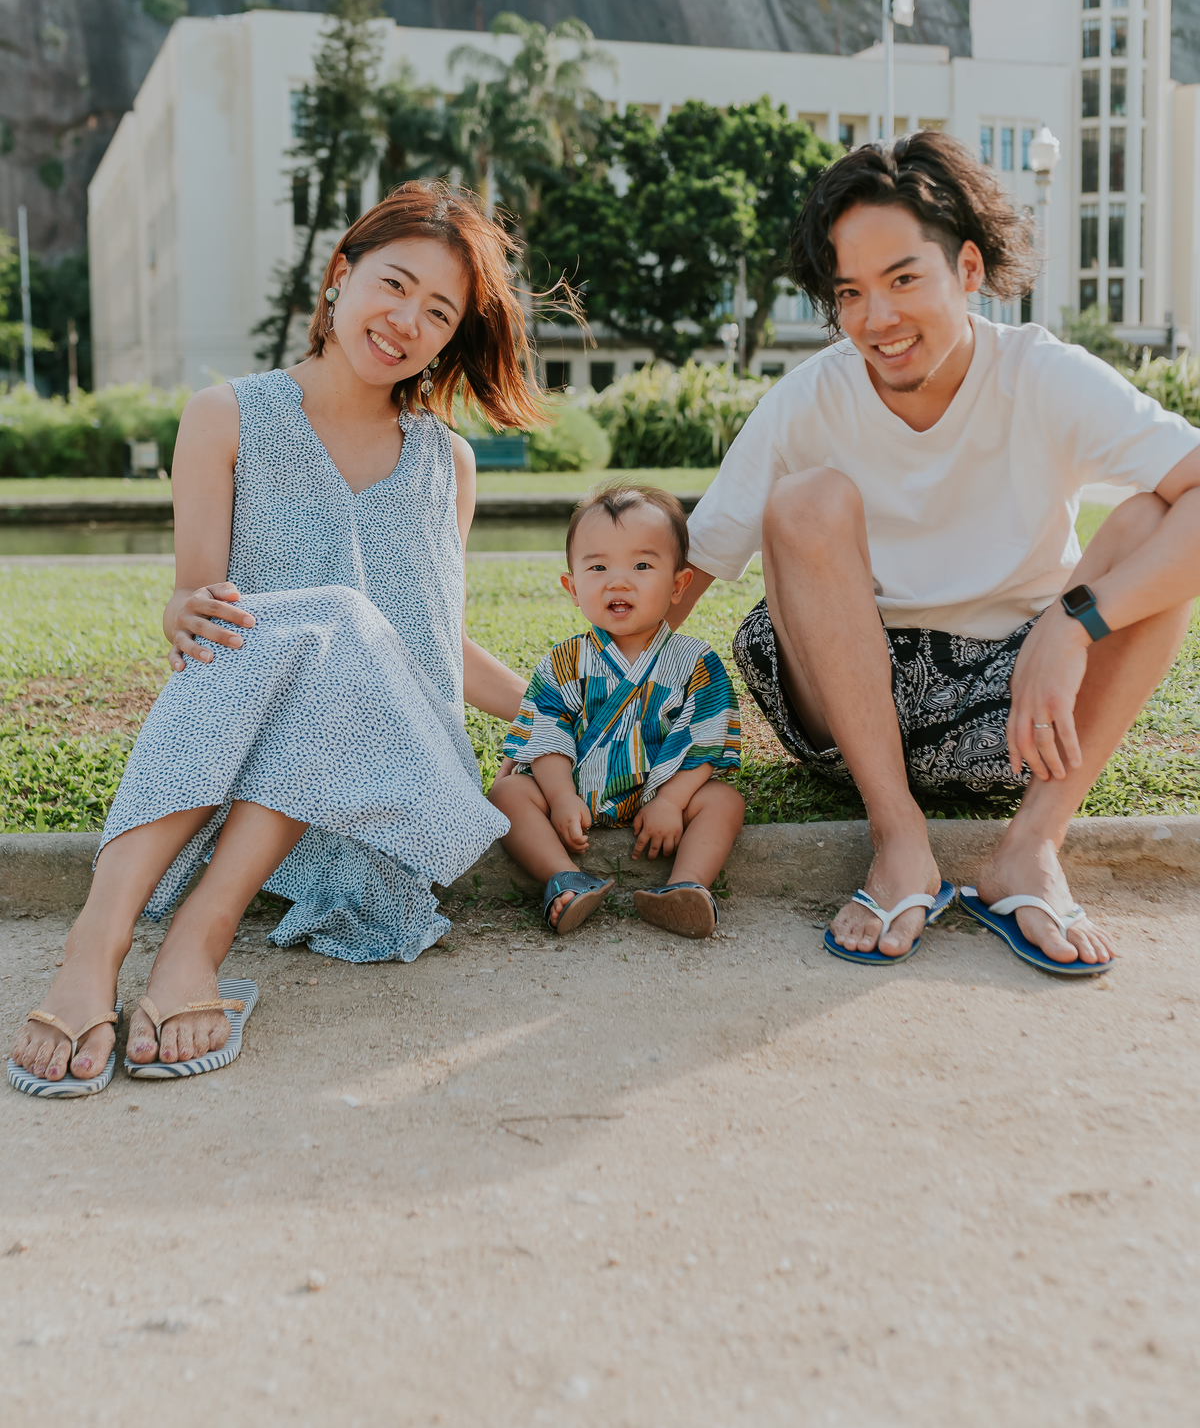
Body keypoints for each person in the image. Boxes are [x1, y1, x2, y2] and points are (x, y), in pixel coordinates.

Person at [9, 182, 541, 1098]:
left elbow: (434, 647)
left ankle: (195, 944)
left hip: (388, 792)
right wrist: (180, 609)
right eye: (395, 284)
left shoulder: (444, 462)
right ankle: (96, 947)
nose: (407, 320)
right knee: (296, 622)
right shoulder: (227, 417)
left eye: (439, 311)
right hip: (238, 775)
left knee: (342, 622)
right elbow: (202, 617)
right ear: (340, 276)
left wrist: (567, 711)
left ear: (452, 336)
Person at [673, 131, 1200, 973]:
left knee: (1153, 519)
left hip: (1018, 710)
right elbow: (691, 568)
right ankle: (898, 839)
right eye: (850, 293)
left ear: (967, 270)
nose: (877, 320)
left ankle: (1030, 848)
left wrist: (1071, 627)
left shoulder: (1044, 375)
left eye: (903, 279)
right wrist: (586, 706)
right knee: (806, 498)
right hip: (846, 706)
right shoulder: (812, 396)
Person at [491, 485, 744, 940]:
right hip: (577, 794)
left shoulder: (695, 661)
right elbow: (548, 736)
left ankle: (686, 887)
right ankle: (564, 878)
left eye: (642, 565)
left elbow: (704, 740)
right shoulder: (563, 661)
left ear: (678, 585)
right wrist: (563, 797)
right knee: (509, 794)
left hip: (661, 798)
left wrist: (671, 801)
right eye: (598, 566)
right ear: (572, 586)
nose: (618, 581)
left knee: (724, 801)